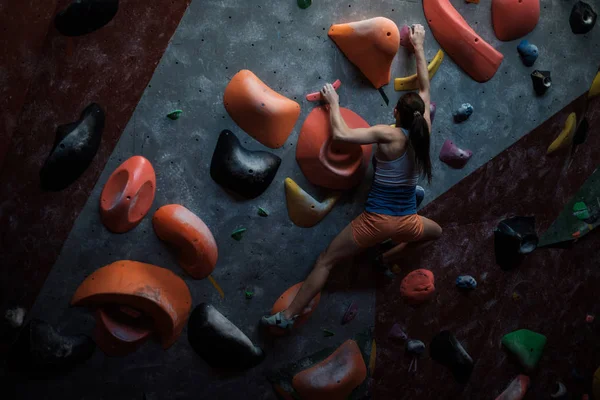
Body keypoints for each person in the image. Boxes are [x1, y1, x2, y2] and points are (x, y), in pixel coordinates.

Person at [261, 24, 442, 330]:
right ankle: (384, 259)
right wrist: (420, 46)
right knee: (435, 231)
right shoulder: (424, 129)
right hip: (407, 222)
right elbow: (425, 89)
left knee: (326, 261)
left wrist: (332, 103)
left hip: (376, 222)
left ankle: (287, 317)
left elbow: (342, 134)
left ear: (396, 112)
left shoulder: (389, 134)